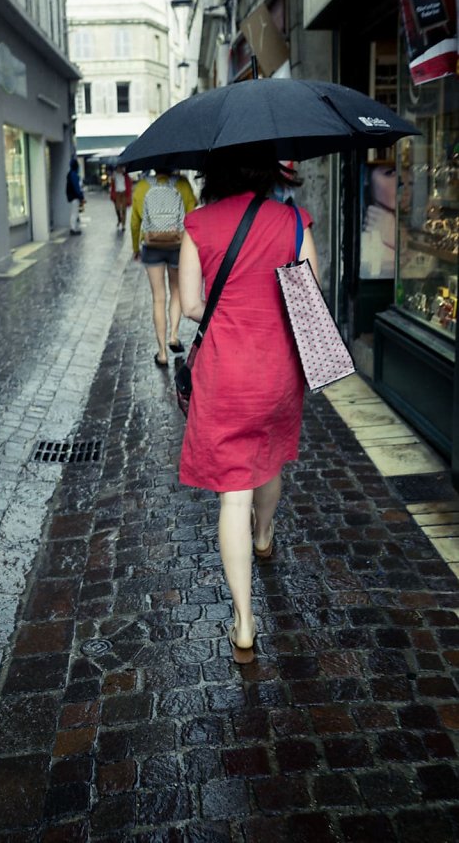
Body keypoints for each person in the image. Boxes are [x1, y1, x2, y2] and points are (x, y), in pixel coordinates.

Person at [178, 152, 318, 663]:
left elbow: (192, 305)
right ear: (267, 170)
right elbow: (308, 298)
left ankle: (242, 622)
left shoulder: (198, 224)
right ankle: (265, 536)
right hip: (277, 369)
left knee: (231, 496)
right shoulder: (292, 221)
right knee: (272, 456)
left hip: (224, 373)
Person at [131, 168, 197, 366]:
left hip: (151, 246)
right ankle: (174, 335)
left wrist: (135, 247)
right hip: (177, 245)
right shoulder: (183, 184)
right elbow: (192, 216)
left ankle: (161, 353)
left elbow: (135, 222)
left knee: (158, 298)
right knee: (175, 290)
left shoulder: (142, 186)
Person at [109, 163, 132, 231]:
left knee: (124, 210)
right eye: (118, 167)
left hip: (124, 193)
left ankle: (123, 225)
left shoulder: (125, 175)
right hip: (117, 194)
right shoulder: (114, 174)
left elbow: (129, 183)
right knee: (117, 209)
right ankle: (119, 219)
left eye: (121, 167)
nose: (120, 169)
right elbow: (112, 183)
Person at [66, 156, 85, 235]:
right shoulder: (74, 175)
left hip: (72, 196)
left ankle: (73, 228)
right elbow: (76, 187)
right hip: (74, 196)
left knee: (74, 212)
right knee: (75, 212)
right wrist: (81, 196)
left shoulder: (70, 174)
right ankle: (73, 229)